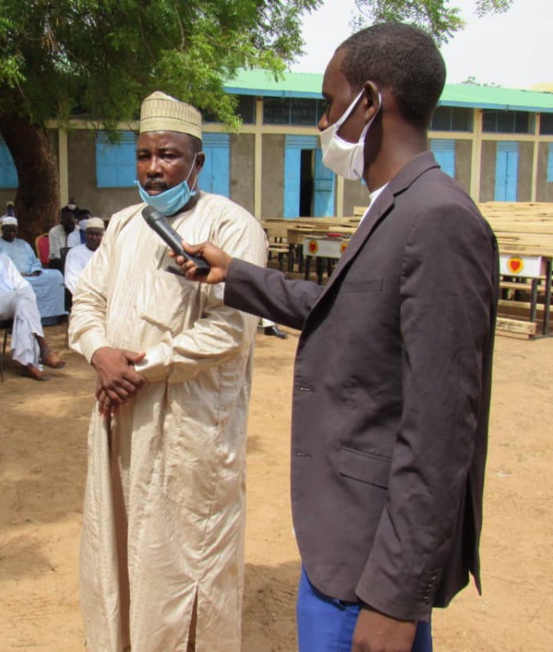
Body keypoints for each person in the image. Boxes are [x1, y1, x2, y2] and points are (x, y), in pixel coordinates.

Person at [174, 24, 498, 652]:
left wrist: (395, 599)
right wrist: (232, 273)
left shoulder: (439, 220)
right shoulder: (392, 207)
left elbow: (441, 429)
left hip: (369, 571)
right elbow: (346, 310)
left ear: (369, 103)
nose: (323, 121)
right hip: (341, 547)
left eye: (330, 102)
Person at [67, 91, 266, 651]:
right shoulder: (126, 224)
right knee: (121, 541)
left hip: (189, 427)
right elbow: (87, 303)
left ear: (197, 163)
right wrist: (101, 354)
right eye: (144, 155)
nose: (154, 168)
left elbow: (231, 330)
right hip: (118, 414)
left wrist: (141, 369)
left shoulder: (232, 226)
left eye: (169, 155)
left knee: (185, 558)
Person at [0, 225, 65, 381]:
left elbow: (21, 283)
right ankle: (43, 348)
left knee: (24, 303)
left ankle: (29, 365)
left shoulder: (5, 260)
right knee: (25, 297)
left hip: (10, 303)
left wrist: (27, 292)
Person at [0, 215, 66, 321]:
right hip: (14, 277)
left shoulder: (23, 244)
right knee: (22, 284)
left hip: (31, 275)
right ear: (2, 230)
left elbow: (35, 260)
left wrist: (35, 271)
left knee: (56, 275)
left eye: (14, 231)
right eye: (8, 230)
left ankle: (56, 314)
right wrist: (18, 274)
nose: (12, 233)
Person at [63, 217, 104, 295]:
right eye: (91, 234)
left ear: (103, 235)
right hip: (85, 297)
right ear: (85, 234)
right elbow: (73, 281)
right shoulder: (75, 253)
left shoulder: (109, 252)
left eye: (97, 234)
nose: (94, 238)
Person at [47, 206, 81, 270]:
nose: (70, 227)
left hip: (75, 260)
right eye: (68, 224)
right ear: (62, 223)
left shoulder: (78, 230)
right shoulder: (54, 232)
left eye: (72, 224)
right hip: (59, 261)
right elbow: (55, 253)